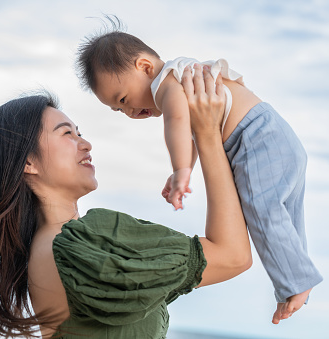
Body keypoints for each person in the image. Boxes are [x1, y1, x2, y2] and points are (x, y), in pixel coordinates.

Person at [0, 66, 250, 339]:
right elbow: (233, 256)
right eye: (66, 133)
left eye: (80, 131)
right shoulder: (80, 244)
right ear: (28, 162)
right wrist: (207, 133)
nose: (85, 142)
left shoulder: (51, 248)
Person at [75, 23, 323, 324]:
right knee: (283, 215)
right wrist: (184, 167)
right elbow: (193, 133)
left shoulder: (167, 85)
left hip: (257, 139)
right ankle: (297, 281)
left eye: (124, 98)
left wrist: (181, 170)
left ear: (144, 66)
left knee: (262, 208)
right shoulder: (182, 80)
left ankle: (295, 283)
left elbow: (177, 123)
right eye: (118, 109)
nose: (127, 111)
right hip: (276, 136)